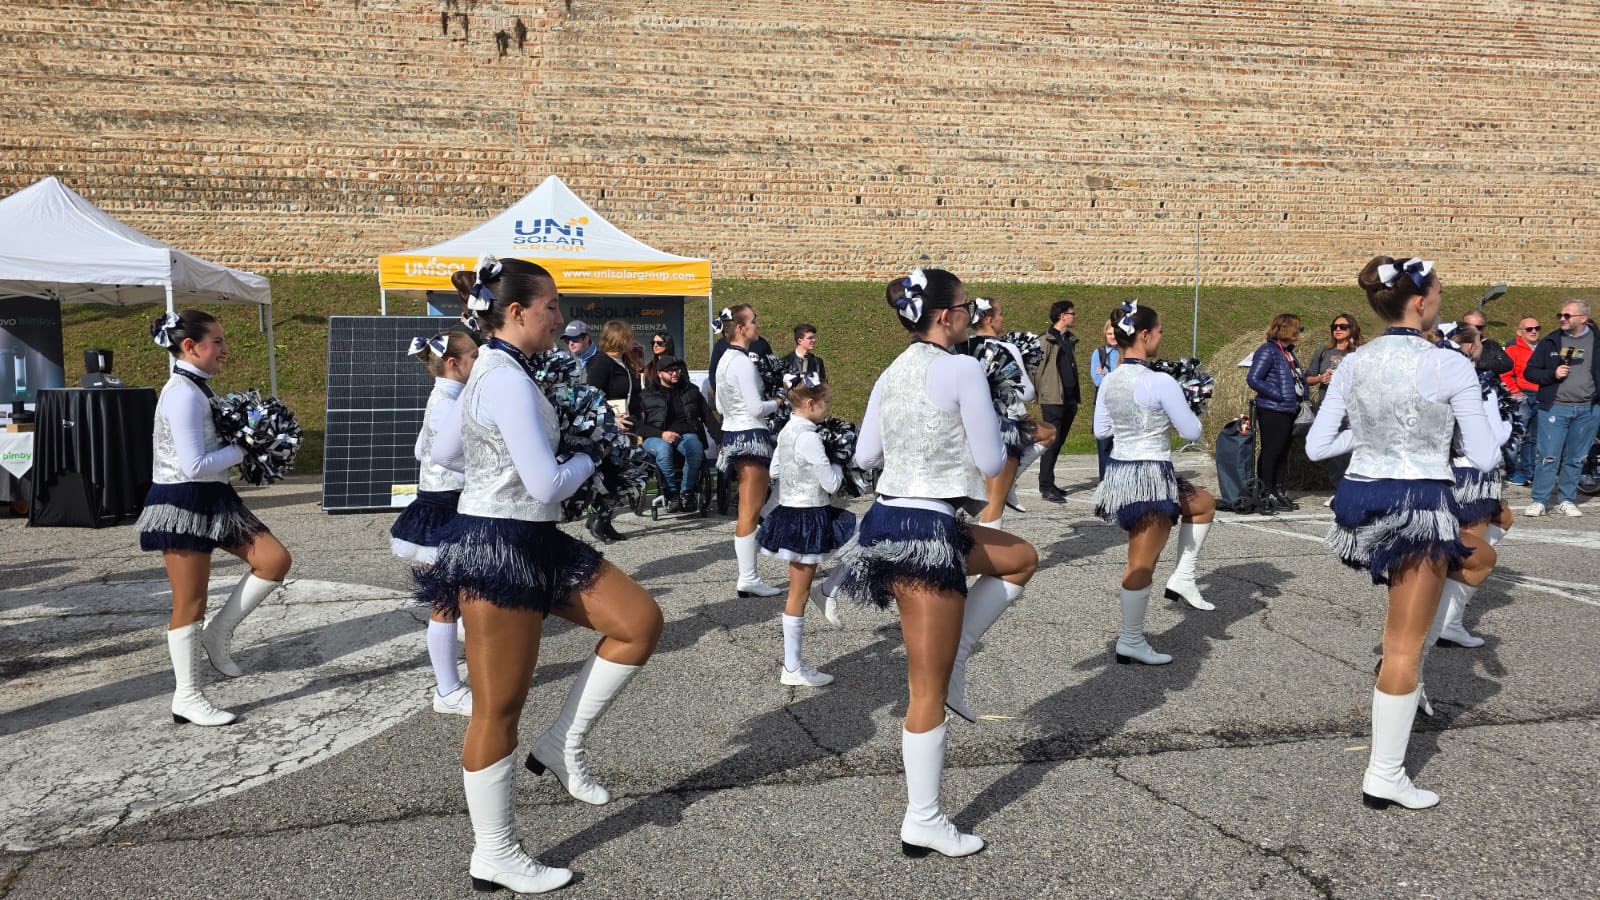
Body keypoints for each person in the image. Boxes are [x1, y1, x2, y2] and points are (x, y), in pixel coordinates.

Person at [418, 257, 663, 894]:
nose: (559, 316)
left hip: (533, 536)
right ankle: (494, 854)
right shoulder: (503, 378)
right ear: (517, 311)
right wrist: (592, 450)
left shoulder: (497, 370)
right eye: (551, 305)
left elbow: (443, 452)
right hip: (499, 544)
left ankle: (562, 744)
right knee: (497, 710)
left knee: (638, 622)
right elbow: (547, 483)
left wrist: (492, 454)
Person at [838, 267, 1037, 859]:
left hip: (891, 517)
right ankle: (922, 819)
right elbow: (992, 460)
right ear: (947, 316)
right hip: (926, 527)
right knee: (924, 689)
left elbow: (865, 455)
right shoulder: (963, 368)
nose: (971, 318)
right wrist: (999, 422)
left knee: (1020, 558)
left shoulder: (891, 371)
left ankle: (959, 656)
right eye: (966, 310)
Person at [1306, 255, 1498, 811]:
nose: (1440, 297)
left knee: (1480, 558)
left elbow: (1318, 446)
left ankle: (1406, 674)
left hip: (1361, 499)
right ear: (1419, 301)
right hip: (1415, 503)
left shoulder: (1354, 361)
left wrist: (1371, 435)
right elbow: (1485, 455)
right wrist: (1449, 436)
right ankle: (1384, 774)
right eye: (1437, 291)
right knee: (1402, 648)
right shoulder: (1448, 363)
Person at [135, 310, 293, 726]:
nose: (225, 349)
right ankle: (186, 697)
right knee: (191, 601)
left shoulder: (197, 388)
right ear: (190, 346)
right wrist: (249, 446)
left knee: (273, 559)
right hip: (182, 500)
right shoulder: (182, 394)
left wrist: (247, 440)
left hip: (213, 495)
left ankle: (218, 633)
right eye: (218, 342)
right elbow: (193, 465)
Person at [1092, 301, 1217, 665]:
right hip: (1149, 474)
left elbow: (1100, 431)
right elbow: (1191, 431)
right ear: (1144, 335)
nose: (1161, 337)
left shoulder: (1110, 379)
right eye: (1159, 331)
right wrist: (1186, 403)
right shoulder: (1159, 381)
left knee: (1203, 503)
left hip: (1122, 472)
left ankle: (1183, 577)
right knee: (1141, 562)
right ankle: (1130, 639)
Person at [389, 328, 480, 716]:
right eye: (474, 356)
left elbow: (419, 449)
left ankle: (460, 674)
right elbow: (446, 456)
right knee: (444, 601)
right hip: (445, 507)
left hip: (442, 502)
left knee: (453, 598)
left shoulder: (444, 397)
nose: (480, 361)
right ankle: (447, 690)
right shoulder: (449, 403)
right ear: (454, 363)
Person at [756, 375, 854, 686]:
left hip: (792, 512)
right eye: (825, 403)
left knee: (862, 538)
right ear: (811, 403)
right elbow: (832, 484)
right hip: (808, 517)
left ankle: (826, 592)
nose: (827, 409)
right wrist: (839, 460)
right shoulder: (810, 437)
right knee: (798, 593)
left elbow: (775, 470)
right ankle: (792, 667)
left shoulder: (787, 430)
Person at [1431, 324, 1514, 652]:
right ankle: (1445, 623)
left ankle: (1444, 611)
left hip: (1468, 470)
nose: (1483, 344)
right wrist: (1509, 422)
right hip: (1473, 473)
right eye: (1479, 340)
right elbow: (1490, 436)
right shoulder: (1477, 384)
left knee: (1504, 518)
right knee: (1473, 552)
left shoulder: (1451, 377)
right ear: (1468, 347)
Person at [715, 304, 784, 597]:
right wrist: (778, 401)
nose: (757, 325)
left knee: (753, 506)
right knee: (750, 510)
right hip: (750, 435)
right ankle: (748, 576)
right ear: (741, 328)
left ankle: (750, 572)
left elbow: (719, 406)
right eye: (754, 321)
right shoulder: (742, 362)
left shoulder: (724, 359)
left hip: (733, 433)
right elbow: (756, 408)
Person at [1522, 300, 1600, 517]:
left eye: (1567, 315)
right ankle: (1539, 500)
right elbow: (1530, 372)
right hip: (1555, 407)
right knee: (1547, 456)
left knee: (1577, 458)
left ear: (1583, 319)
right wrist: (1552, 374)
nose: (1562, 319)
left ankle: (1567, 499)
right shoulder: (1551, 341)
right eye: (1561, 315)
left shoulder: (1597, 341)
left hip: (1588, 409)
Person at [965, 296, 1036, 530]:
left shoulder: (963, 347)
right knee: (995, 502)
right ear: (989, 319)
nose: (1002, 319)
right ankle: (987, 551)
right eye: (1000, 314)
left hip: (969, 426)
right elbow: (1027, 392)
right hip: (1003, 427)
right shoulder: (1006, 348)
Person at [631, 354, 712, 512]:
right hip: (655, 436)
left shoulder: (691, 391)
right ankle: (671, 493)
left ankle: (686, 493)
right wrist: (661, 434)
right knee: (664, 449)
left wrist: (720, 439)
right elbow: (638, 426)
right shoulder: (646, 395)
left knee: (695, 448)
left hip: (685, 434)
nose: (675, 373)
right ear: (659, 373)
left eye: (677, 370)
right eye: (670, 371)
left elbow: (707, 415)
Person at [582, 320, 638, 542]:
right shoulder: (601, 363)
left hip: (625, 426)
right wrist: (613, 419)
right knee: (607, 474)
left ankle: (606, 520)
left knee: (619, 474)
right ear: (620, 338)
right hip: (606, 428)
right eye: (629, 336)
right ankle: (597, 519)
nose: (633, 340)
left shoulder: (624, 362)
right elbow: (592, 397)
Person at [1247, 313, 1308, 511]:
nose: (1300, 331)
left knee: (1282, 451)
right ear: (1287, 329)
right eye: (1298, 327)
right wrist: (1279, 395)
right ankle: (1267, 491)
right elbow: (1253, 378)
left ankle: (1279, 489)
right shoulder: (1268, 351)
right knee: (1271, 451)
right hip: (1273, 409)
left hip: (1288, 408)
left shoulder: (1287, 352)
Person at [1305, 313, 1362, 493]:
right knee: (1336, 454)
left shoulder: (1361, 352)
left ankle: (1355, 488)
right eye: (1334, 327)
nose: (1337, 329)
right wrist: (1320, 378)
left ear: (1352, 329)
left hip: (1355, 409)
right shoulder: (1323, 352)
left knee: (1355, 451)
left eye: (1342, 327)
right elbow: (1307, 378)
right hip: (1330, 409)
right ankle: (1339, 490)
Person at [1034, 299, 1080, 502]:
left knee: (1059, 441)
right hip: (1053, 398)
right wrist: (1038, 394)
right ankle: (1045, 486)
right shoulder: (1046, 340)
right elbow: (1037, 369)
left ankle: (1050, 482)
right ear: (1063, 316)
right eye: (1072, 313)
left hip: (1069, 398)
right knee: (1051, 442)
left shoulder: (1069, 339)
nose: (1074, 316)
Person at [1503, 316, 1542, 484]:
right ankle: (1512, 471)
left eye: (1537, 328)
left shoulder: (1543, 348)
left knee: (1533, 438)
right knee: (1516, 436)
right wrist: (1516, 392)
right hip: (1522, 397)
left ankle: (1528, 471)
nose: (1534, 331)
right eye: (1529, 329)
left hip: (1540, 397)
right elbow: (1504, 374)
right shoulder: (1513, 349)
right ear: (1520, 332)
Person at [1088, 319, 1120, 479]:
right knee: (1104, 445)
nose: (1112, 337)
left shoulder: (1124, 352)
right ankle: (1105, 480)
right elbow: (1097, 380)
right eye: (1109, 334)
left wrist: (1107, 373)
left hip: (1121, 403)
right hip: (1104, 404)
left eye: (1115, 333)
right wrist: (1113, 375)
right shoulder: (1098, 353)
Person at [1460, 309, 1513, 377]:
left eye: (1478, 327)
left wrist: (1482, 363)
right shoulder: (1452, 344)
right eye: (1468, 326)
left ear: (1484, 328)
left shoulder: (1491, 345)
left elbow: (1508, 364)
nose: (1473, 330)